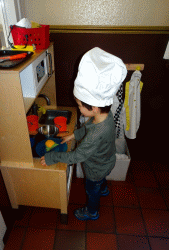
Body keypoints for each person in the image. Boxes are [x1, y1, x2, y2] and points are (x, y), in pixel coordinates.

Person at [41, 47, 127, 220]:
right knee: (100, 183)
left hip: (95, 170)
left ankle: (92, 211)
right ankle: (103, 188)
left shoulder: (96, 134)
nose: (78, 108)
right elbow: (89, 128)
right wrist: (74, 135)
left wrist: (52, 158)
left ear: (94, 108)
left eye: (80, 105)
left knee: (91, 190)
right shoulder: (106, 116)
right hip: (107, 162)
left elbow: (76, 157)